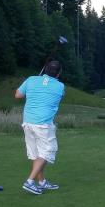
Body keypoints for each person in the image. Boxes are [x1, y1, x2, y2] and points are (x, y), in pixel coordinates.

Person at [14, 60, 65, 195]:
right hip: (43, 125)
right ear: (59, 73)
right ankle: (30, 182)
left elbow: (18, 95)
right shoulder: (60, 86)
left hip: (28, 123)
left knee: (37, 154)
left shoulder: (31, 79)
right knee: (47, 152)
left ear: (45, 70)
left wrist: (33, 83)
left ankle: (41, 182)